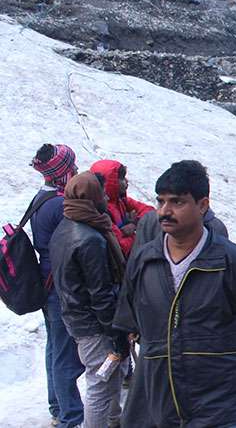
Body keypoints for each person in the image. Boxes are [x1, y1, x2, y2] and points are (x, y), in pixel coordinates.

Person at [114, 161, 236, 427]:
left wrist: (231, 363)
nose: (165, 211)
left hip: (222, 406)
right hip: (163, 405)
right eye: (161, 201)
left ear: (202, 205)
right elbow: (132, 317)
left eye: (177, 202)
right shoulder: (145, 261)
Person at [49, 171, 128, 428]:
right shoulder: (90, 238)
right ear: (91, 196)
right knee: (99, 383)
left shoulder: (66, 224)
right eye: (102, 193)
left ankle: (115, 421)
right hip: (93, 325)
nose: (106, 197)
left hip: (76, 317)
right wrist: (114, 330)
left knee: (110, 378)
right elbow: (100, 293)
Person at [29, 144, 85, 428]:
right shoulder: (60, 205)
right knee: (65, 352)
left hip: (46, 282)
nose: (76, 171)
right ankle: (70, 416)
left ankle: (57, 406)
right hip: (61, 287)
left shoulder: (42, 197)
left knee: (54, 347)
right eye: (72, 168)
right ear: (63, 172)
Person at [88, 160, 154, 257]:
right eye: (122, 178)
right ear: (110, 183)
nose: (127, 181)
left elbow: (149, 210)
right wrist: (136, 235)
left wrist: (134, 224)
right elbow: (121, 246)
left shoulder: (120, 200)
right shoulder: (102, 211)